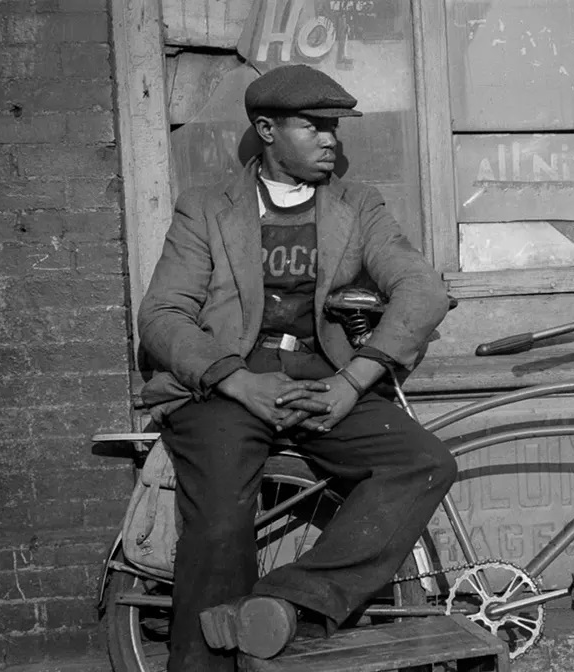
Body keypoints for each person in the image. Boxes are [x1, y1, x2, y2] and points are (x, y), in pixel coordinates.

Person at [136, 64, 458, 672]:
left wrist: (352, 381)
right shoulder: (206, 208)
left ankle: (287, 605)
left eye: (334, 127)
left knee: (423, 463)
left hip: (324, 381)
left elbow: (421, 290)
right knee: (222, 516)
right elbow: (162, 314)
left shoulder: (357, 206)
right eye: (313, 126)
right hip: (225, 388)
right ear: (266, 129)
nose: (331, 139)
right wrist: (236, 380)